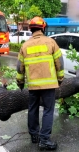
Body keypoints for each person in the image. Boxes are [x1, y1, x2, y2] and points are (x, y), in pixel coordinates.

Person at [16, 16, 64, 151]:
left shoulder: (24, 45)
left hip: (33, 85)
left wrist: (20, 83)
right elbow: (59, 63)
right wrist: (60, 79)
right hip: (49, 85)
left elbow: (20, 67)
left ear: (31, 29)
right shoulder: (51, 42)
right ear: (43, 27)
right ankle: (44, 140)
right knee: (48, 110)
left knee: (33, 108)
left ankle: (34, 136)